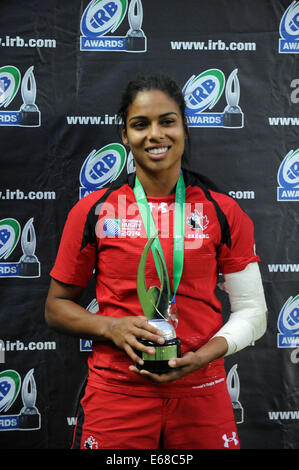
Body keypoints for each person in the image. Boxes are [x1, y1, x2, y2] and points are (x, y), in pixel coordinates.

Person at [45, 74, 268, 450]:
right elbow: (55, 308)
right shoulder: (93, 210)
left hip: (202, 391)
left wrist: (203, 356)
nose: (155, 134)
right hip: (117, 392)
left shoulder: (223, 211)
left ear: (184, 127)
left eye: (167, 121)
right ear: (124, 135)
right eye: (140, 124)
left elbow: (254, 312)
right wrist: (111, 328)